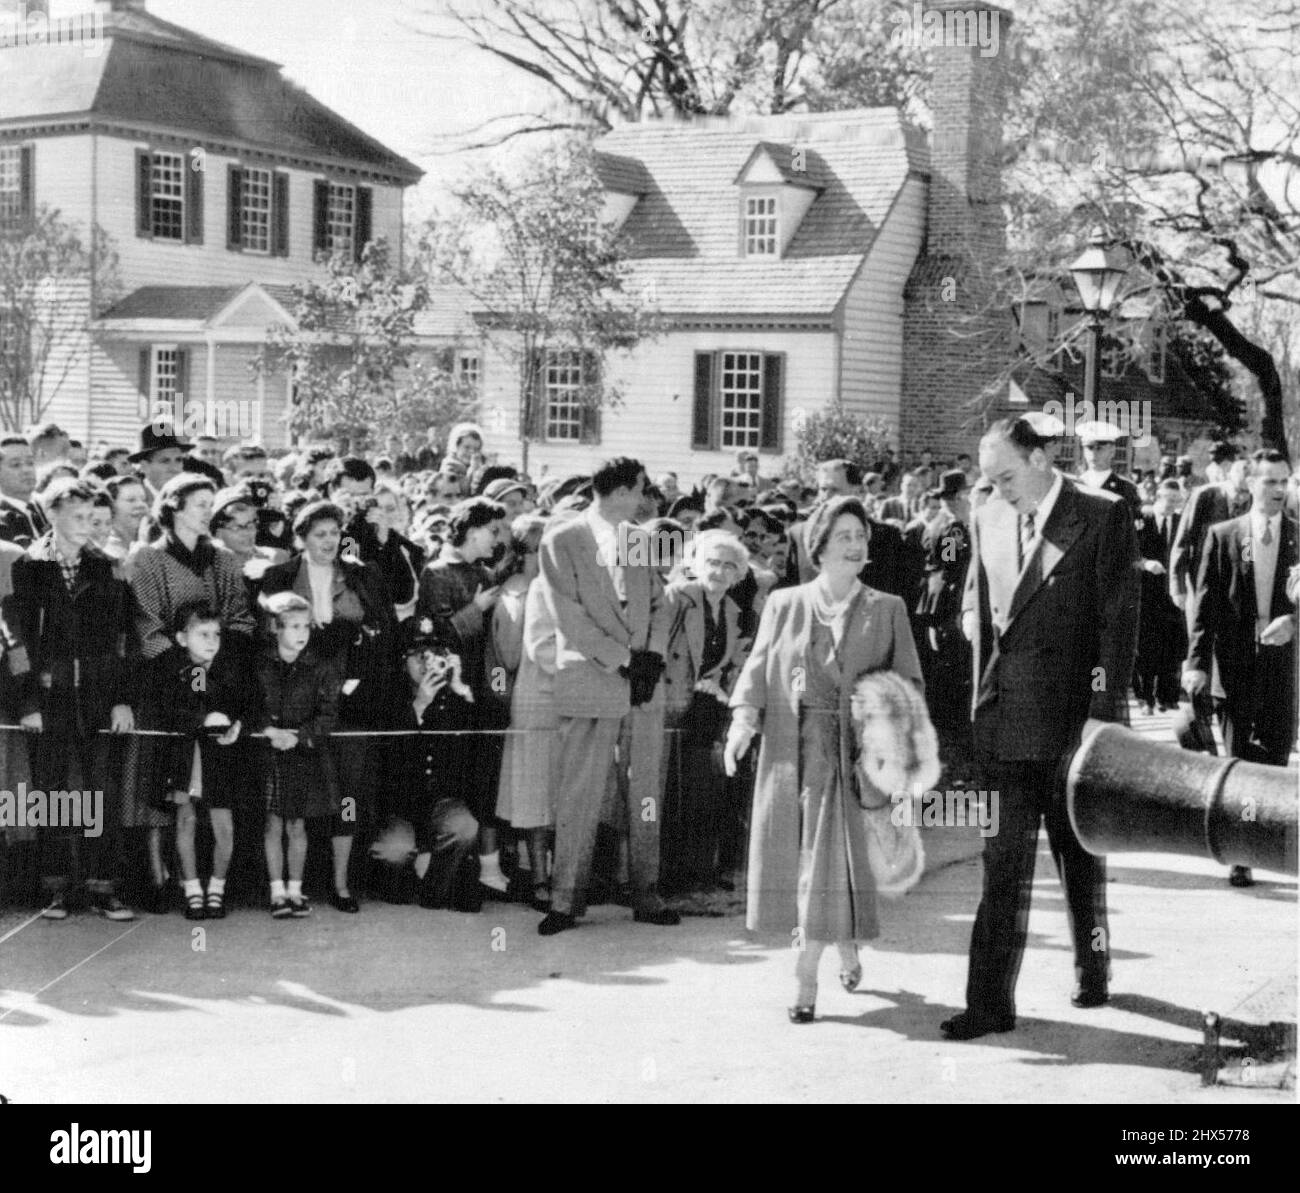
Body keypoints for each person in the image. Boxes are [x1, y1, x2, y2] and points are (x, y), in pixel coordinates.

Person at [943, 417, 1139, 1041]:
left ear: (1039, 459)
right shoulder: (988, 517)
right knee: (1001, 868)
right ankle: (988, 1004)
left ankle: (1092, 963)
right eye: (989, 480)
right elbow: (977, 606)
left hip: (1071, 726)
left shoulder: (1102, 514)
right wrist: (977, 692)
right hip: (1005, 723)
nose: (997, 490)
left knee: (1077, 856)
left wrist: (1101, 720)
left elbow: (1118, 623)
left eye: (1005, 476)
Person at [723, 495, 925, 1021]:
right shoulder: (785, 603)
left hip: (856, 757)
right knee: (814, 862)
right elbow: (758, 668)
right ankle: (845, 943)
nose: (856, 546)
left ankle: (804, 975)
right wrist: (742, 723)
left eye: (861, 536)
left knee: (828, 861)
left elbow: (907, 686)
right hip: (794, 750)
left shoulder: (889, 608)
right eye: (844, 537)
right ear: (819, 547)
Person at [535, 457, 677, 935]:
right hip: (592, 677)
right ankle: (564, 900)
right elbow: (567, 616)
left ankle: (647, 893)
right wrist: (622, 659)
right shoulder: (562, 540)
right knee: (580, 794)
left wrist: (652, 656)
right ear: (618, 492)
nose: (645, 498)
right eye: (640, 489)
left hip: (643, 684)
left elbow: (661, 601)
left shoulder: (637, 538)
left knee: (646, 792)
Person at [2, 477, 139, 921]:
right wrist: (27, 703)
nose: (86, 526)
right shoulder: (29, 566)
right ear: (52, 514)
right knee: (53, 793)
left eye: (91, 517)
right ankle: (56, 887)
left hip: (99, 698)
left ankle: (103, 887)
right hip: (50, 697)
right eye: (76, 517)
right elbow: (17, 643)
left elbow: (123, 640)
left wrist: (121, 699)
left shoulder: (110, 567)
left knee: (101, 791)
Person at [261, 501, 398, 914]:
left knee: (348, 792)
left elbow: (383, 633)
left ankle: (341, 884)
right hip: (296, 703)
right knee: (292, 797)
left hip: (351, 700)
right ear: (301, 538)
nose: (329, 541)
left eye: (334, 533)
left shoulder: (362, 575)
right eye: (319, 534)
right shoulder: (278, 576)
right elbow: (267, 638)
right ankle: (286, 885)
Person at [1184, 450, 1297, 886]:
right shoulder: (1225, 535)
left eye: (1284, 481)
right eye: (1269, 481)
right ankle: (1241, 851)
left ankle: (1265, 841)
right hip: (1232, 667)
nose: (1278, 490)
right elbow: (1206, 603)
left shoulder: (1298, 536)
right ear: (1250, 483)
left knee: (1274, 755)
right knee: (1238, 760)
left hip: (1281, 667)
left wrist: (1294, 622)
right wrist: (1195, 663)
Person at [141, 603, 249, 920]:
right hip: (186, 757)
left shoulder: (229, 670)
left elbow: (247, 706)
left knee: (224, 828)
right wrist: (204, 718)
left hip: (221, 758)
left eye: (216, 634)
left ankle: (217, 889)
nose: (212, 641)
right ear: (181, 638)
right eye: (202, 634)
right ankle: (192, 891)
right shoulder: (178, 671)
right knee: (185, 821)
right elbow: (175, 710)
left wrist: (239, 725)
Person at [658, 529, 747, 895]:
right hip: (669, 704)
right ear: (695, 563)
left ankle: (697, 871)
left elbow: (733, 660)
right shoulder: (677, 597)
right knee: (667, 793)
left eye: (729, 566)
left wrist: (720, 683)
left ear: (739, 574)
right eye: (713, 562)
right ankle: (664, 876)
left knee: (701, 789)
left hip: (706, 708)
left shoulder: (732, 610)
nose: (720, 571)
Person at [255, 591, 340, 918]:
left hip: (303, 754)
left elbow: (328, 715)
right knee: (272, 824)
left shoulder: (320, 667)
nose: (301, 633)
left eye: (305, 626)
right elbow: (249, 704)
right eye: (292, 626)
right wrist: (269, 730)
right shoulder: (261, 664)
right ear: (275, 628)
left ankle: (295, 890)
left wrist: (301, 737)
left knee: (297, 825)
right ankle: (277, 893)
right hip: (269, 752)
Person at [494, 515, 557, 910]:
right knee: (534, 791)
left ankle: (559, 873)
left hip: (563, 695)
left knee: (560, 787)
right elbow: (510, 656)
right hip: (533, 695)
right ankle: (537, 876)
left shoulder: (560, 586)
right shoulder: (516, 592)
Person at [1134, 480, 1187, 714]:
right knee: (1145, 648)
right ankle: (1145, 698)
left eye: (1177, 501)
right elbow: (1128, 552)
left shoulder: (1180, 523)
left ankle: (1167, 697)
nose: (1173, 506)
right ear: (1157, 497)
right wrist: (1145, 564)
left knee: (1171, 646)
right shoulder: (1141, 521)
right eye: (1169, 500)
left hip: (1172, 595)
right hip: (1146, 594)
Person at [1075, 420, 1143, 521]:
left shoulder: (1126, 489)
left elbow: (1132, 529)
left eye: (1099, 448)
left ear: (1112, 451)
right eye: (1089, 448)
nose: (1093, 454)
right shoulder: (1076, 485)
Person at [0, 435, 48, 546]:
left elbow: (51, 555)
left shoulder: (44, 509)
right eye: (16, 465)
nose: (27, 470)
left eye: (30, 463)